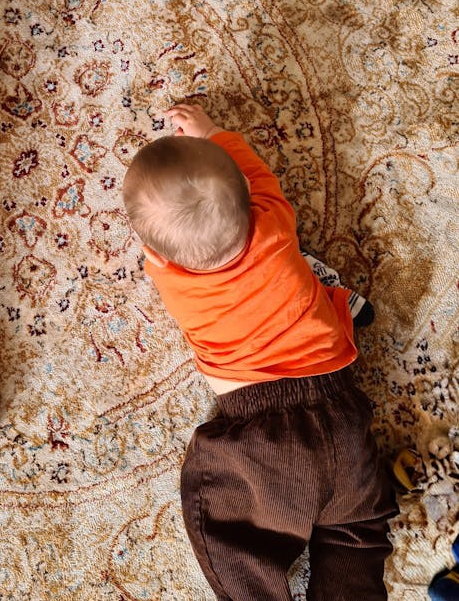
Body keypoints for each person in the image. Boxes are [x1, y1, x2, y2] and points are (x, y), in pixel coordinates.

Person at [122, 102, 396, 601]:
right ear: (250, 199)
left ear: (157, 254)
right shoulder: (273, 219)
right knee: (357, 537)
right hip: (342, 418)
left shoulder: (168, 274)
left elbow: (164, 234)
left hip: (267, 440)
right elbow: (250, 170)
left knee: (227, 532)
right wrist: (213, 133)